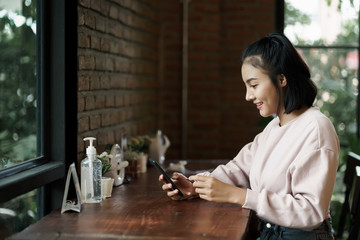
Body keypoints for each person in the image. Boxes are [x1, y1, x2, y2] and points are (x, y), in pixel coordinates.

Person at [158, 32, 339, 240]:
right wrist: (195, 186)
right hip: (270, 232)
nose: (248, 96)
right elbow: (239, 169)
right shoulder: (274, 128)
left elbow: (310, 211)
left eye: (253, 85)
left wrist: (240, 196)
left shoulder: (315, 128)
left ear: (281, 79)